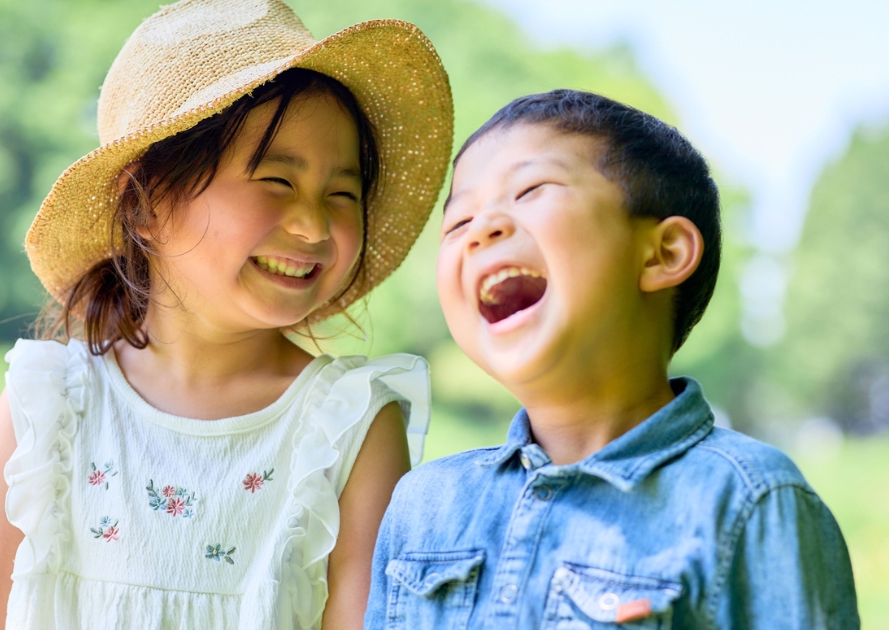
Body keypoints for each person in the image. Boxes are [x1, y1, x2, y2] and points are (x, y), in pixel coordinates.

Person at [0, 0, 452, 627]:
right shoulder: (48, 405)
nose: (313, 223)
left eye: (343, 193)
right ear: (145, 205)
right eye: (277, 180)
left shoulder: (347, 428)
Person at [365, 90, 859, 629]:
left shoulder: (750, 500)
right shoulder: (425, 504)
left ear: (663, 252)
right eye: (458, 224)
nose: (483, 229)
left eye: (530, 190)